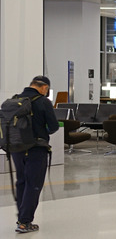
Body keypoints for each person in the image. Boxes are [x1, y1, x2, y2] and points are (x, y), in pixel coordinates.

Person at [10, 76, 59, 234]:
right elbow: (54, 126)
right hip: (36, 149)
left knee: (22, 182)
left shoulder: (15, 100)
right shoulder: (43, 102)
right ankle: (24, 222)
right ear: (44, 87)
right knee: (34, 184)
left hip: (16, 148)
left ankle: (22, 218)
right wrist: (42, 131)